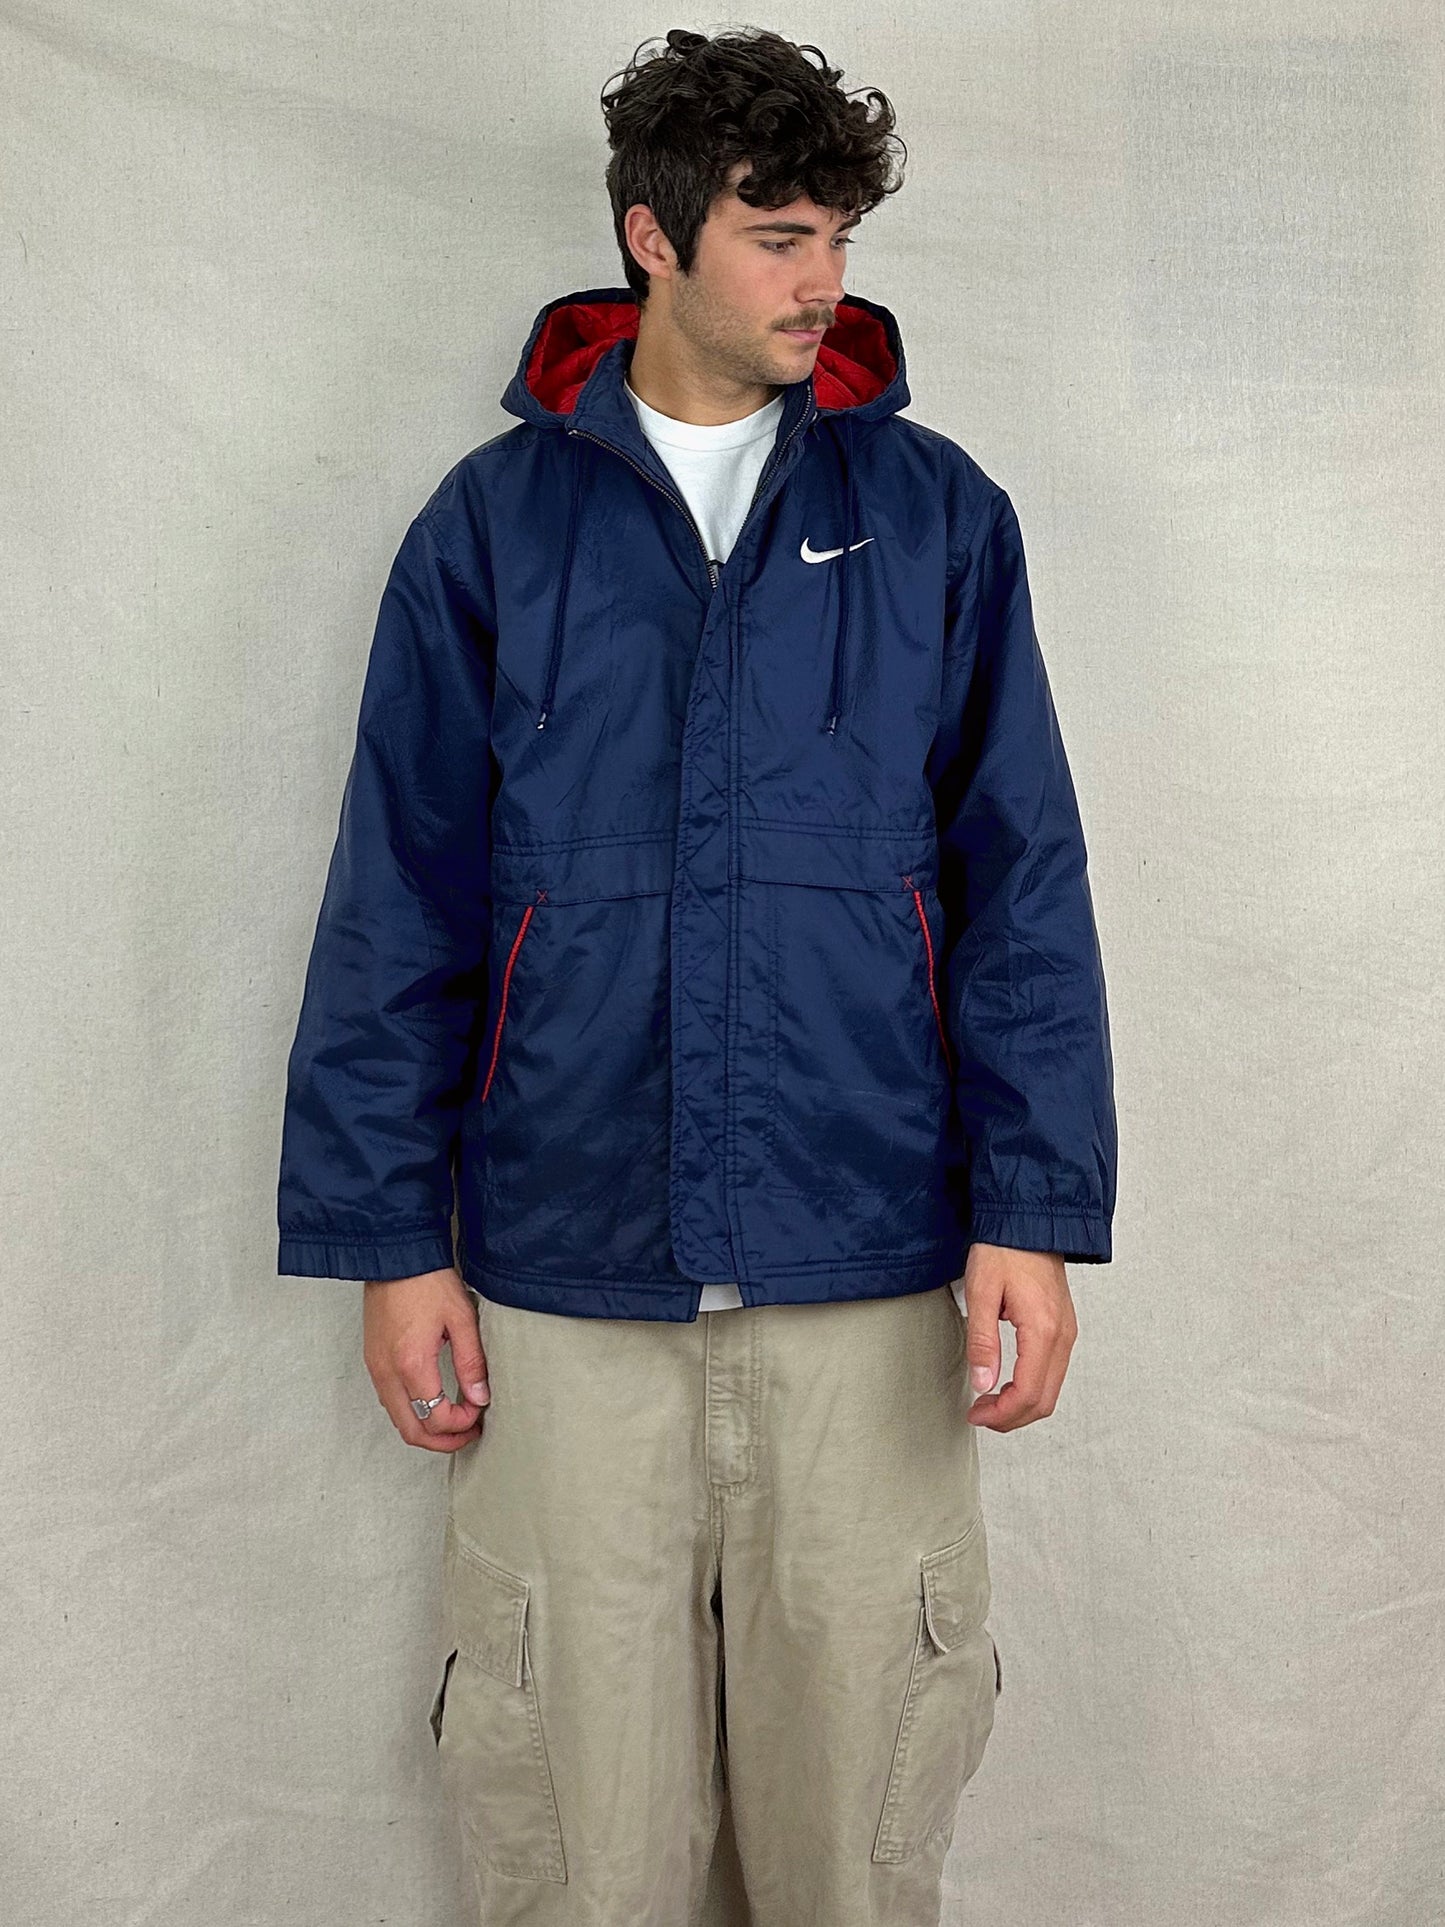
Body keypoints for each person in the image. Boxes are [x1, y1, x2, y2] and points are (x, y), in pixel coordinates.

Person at [276, 25, 1116, 1925]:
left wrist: (1033, 1210)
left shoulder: (934, 516)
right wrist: (390, 1241)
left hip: (865, 1254)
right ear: (651, 240)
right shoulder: (493, 525)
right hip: (564, 1267)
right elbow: (398, 896)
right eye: (778, 238)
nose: (825, 281)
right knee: (583, 1851)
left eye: (838, 238)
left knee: (856, 1844)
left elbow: (1021, 883)